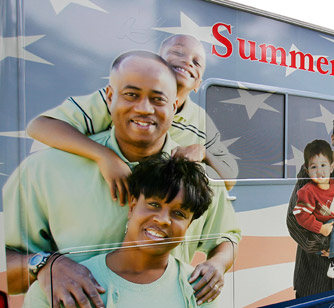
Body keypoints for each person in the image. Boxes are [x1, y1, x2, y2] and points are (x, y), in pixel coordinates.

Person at [4, 51, 239, 308]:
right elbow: (8, 260)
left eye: (158, 99)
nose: (144, 108)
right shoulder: (45, 169)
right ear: (109, 96)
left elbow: (226, 238)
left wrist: (217, 264)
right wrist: (45, 265)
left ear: (173, 107)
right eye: (131, 95)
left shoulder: (193, 177)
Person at [26, 34, 237, 199]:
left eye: (197, 62)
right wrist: (104, 156)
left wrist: (204, 152)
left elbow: (231, 178)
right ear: (157, 62)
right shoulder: (121, 99)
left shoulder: (200, 120)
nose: (187, 62)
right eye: (178, 52)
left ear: (199, 84)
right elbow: (40, 126)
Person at [24, 154, 215, 307]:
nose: (163, 219)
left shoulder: (198, 288)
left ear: (189, 225)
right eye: (154, 204)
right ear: (132, 207)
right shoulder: (62, 284)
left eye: (179, 214)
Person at [286, 113, 334, 297]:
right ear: (333, 138)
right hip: (312, 279)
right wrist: (323, 245)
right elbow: (292, 220)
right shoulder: (309, 175)